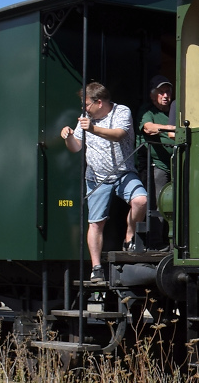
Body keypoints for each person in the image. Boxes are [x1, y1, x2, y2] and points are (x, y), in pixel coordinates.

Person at [62, 82, 149, 279]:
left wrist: (92, 129)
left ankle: (129, 234)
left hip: (123, 172)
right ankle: (96, 268)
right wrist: (67, 137)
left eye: (86, 104)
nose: (84, 108)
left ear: (99, 102)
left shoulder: (121, 111)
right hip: (97, 178)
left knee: (141, 201)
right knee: (96, 223)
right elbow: (76, 147)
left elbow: (119, 135)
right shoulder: (85, 118)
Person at [138, 75, 177, 203]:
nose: (165, 95)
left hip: (178, 164)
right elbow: (148, 128)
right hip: (159, 165)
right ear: (152, 95)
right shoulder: (148, 111)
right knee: (160, 204)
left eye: (168, 91)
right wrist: (169, 128)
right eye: (161, 92)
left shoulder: (177, 109)